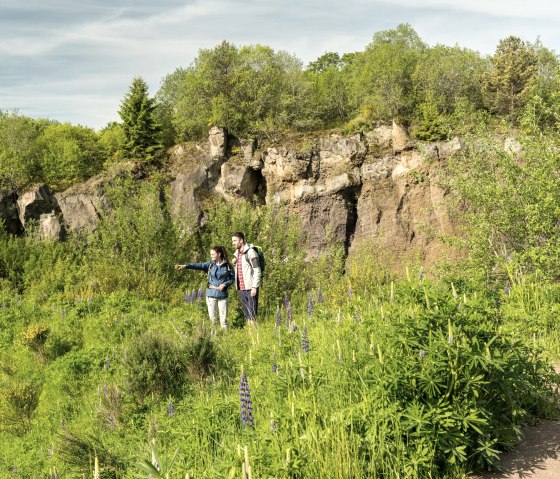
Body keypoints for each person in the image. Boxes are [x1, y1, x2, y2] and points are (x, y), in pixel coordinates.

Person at [175, 246, 234, 329]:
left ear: (219, 254)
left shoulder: (227, 266)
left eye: (213, 254)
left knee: (223, 322)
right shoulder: (210, 264)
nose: (211, 256)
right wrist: (187, 266)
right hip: (211, 294)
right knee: (213, 320)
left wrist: (225, 284)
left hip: (223, 296)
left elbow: (232, 278)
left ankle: (224, 338)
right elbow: (199, 265)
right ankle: (214, 338)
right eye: (211, 254)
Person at [231, 232, 261, 324]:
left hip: (251, 288)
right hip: (242, 288)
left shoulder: (251, 252)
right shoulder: (238, 253)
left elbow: (257, 270)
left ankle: (254, 335)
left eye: (235, 241)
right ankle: (250, 336)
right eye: (232, 241)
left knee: (252, 315)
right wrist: (235, 259)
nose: (233, 243)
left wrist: (254, 287)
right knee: (247, 315)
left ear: (241, 240)